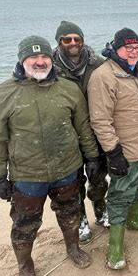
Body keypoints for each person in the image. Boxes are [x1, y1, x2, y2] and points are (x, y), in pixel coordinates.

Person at [0, 35, 100, 276]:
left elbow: (83, 127)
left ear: (52, 57)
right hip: (27, 175)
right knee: (25, 225)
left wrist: (91, 156)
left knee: (70, 212)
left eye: (44, 56)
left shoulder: (68, 88)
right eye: (33, 57)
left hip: (68, 168)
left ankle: (73, 248)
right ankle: (25, 267)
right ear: (22, 60)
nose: (39, 62)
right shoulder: (2, 94)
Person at [87, 28, 138, 269]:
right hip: (125, 150)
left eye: (137, 48)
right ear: (116, 48)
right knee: (120, 196)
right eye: (128, 47)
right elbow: (100, 119)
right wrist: (113, 152)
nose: (133, 52)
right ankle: (115, 248)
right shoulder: (104, 76)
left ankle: (134, 219)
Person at [52, 20, 108, 244]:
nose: (73, 43)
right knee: (73, 185)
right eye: (67, 39)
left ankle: (101, 210)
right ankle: (81, 220)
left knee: (98, 177)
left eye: (77, 39)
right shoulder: (50, 68)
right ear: (59, 42)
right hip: (67, 135)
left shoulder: (98, 63)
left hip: (95, 130)